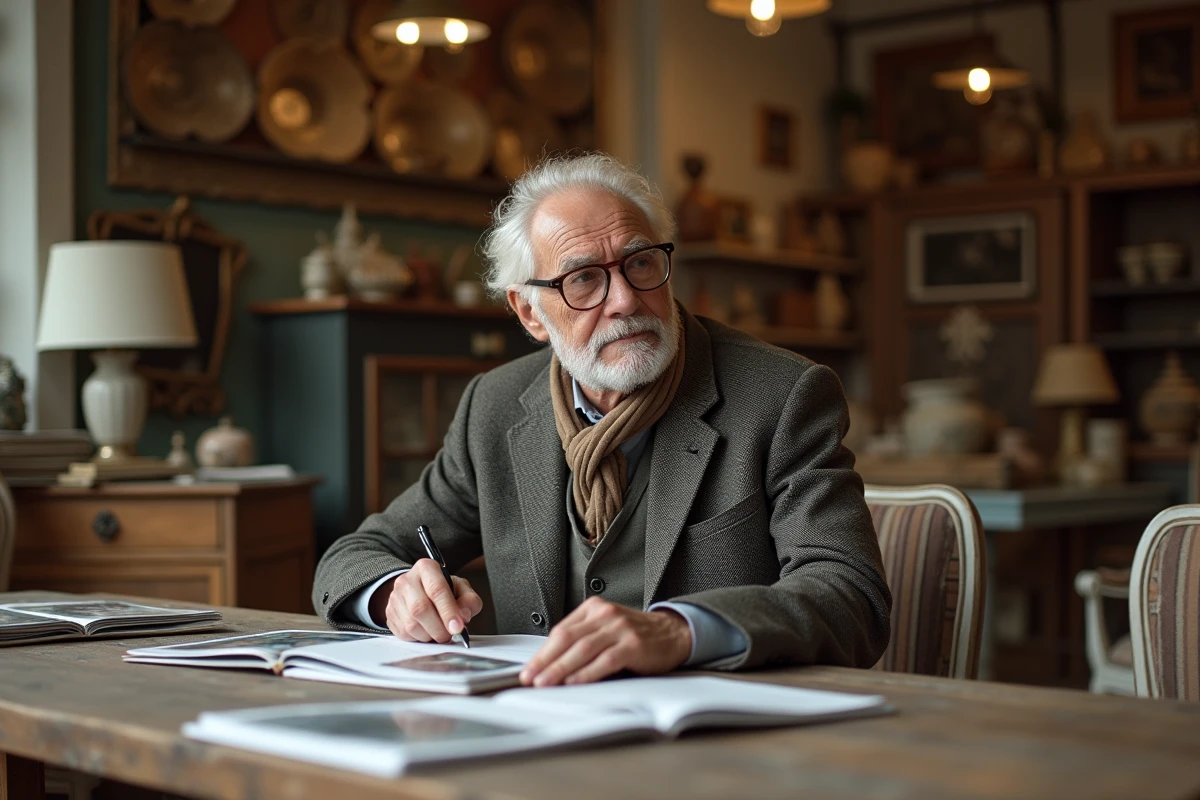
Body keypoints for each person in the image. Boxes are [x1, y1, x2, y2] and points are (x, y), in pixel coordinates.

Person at [313, 153, 891, 686]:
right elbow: (354, 554)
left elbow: (851, 596)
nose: (624, 299)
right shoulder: (493, 407)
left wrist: (681, 630)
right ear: (529, 312)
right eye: (583, 278)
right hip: (534, 736)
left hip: (715, 745)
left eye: (640, 263)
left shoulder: (782, 396)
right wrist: (394, 593)